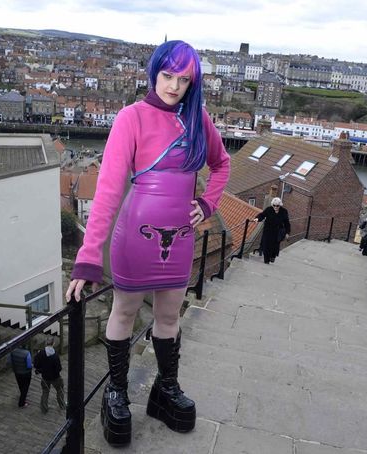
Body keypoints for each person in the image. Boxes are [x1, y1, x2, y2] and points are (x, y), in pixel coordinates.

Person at [65, 40, 230, 447]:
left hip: (181, 240)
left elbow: (223, 163)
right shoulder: (130, 118)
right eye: (167, 75)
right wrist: (87, 259)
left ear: (194, 81)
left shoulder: (198, 120)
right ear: (154, 73)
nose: (174, 86)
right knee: (123, 312)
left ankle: (165, 389)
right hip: (134, 239)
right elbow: (106, 191)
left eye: (184, 79)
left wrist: (207, 203)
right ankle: (116, 391)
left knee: (170, 318)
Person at [252, 197, 291, 264]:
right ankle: (266, 260)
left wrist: (287, 233)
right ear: (272, 205)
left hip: (277, 232)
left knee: (275, 247)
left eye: (277, 206)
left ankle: (273, 256)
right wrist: (257, 219)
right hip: (268, 231)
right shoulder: (269, 209)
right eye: (274, 205)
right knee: (266, 245)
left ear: (280, 205)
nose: (275, 207)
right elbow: (262, 215)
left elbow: (287, 223)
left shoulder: (284, 211)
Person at [34, 338, 66, 413]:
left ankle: (44, 408)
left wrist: (41, 369)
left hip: (45, 376)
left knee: (45, 392)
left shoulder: (40, 353)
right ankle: (62, 405)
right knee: (60, 390)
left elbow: (36, 364)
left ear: (46, 343)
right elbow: (59, 368)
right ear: (53, 344)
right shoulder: (55, 355)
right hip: (55, 377)